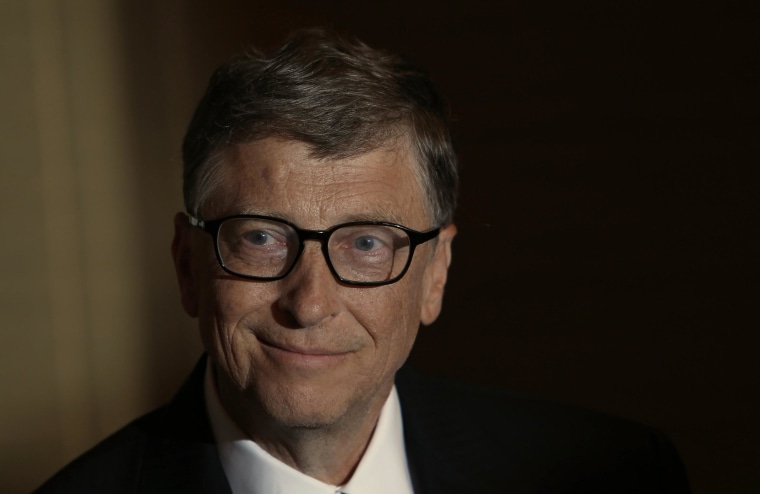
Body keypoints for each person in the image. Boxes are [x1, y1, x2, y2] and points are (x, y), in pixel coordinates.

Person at [34, 28, 690, 493]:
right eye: (262, 238)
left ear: (436, 275)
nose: (310, 302)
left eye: (367, 244)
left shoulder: (615, 474)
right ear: (187, 265)